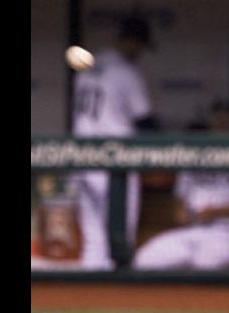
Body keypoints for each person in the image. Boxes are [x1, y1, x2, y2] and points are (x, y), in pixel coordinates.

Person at [69, 15, 159, 270]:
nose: (140, 52)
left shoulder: (88, 68)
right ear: (132, 41)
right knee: (120, 236)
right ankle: (119, 293)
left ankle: (89, 299)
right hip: (113, 159)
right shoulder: (126, 71)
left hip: (82, 158)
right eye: (140, 45)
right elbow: (145, 123)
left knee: (94, 239)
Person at [132, 101, 229, 270]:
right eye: (217, 118)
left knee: (205, 264)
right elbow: (179, 205)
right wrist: (185, 214)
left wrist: (215, 212)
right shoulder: (197, 153)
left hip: (226, 233)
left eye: (226, 118)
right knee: (143, 260)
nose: (221, 123)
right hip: (191, 231)